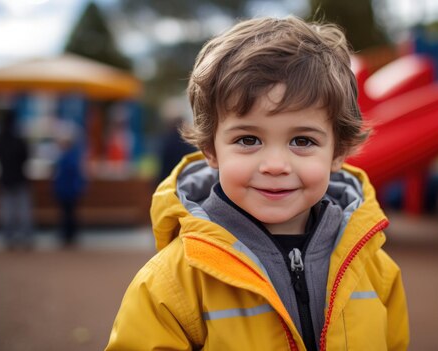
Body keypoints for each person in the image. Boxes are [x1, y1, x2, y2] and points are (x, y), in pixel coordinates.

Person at [106, 16, 409, 351]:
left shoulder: (376, 270)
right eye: (249, 140)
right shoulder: (173, 283)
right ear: (211, 150)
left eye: (303, 141)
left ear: (337, 152)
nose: (276, 165)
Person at [0, 108, 34, 251]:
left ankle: (9, 236)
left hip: (5, 180)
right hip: (19, 179)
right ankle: (26, 236)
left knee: (7, 211)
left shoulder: (0, 139)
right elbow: (26, 156)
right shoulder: (18, 139)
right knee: (22, 211)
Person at [52, 121, 86, 249]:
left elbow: (67, 175)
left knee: (68, 214)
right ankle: (68, 234)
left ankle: (68, 234)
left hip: (68, 191)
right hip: (68, 190)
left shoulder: (67, 157)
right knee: (68, 214)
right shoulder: (71, 156)